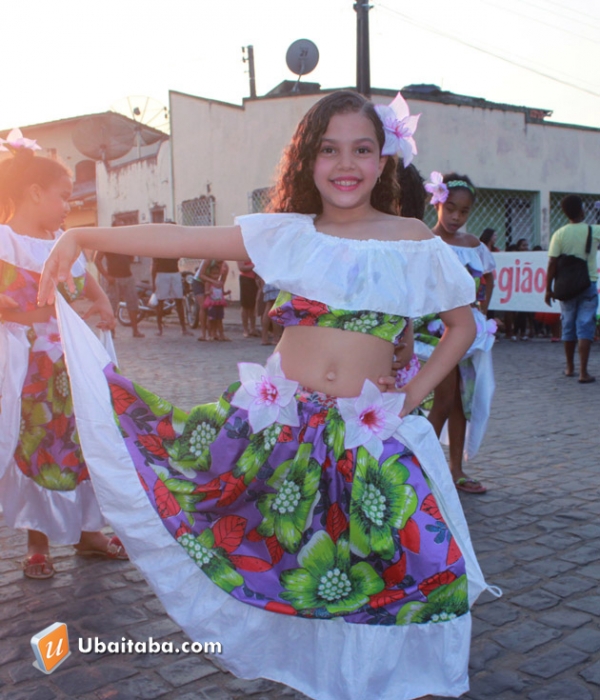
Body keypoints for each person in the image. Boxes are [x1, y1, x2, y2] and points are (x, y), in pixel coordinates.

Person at [39, 92, 496, 700]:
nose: (346, 164)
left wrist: (411, 395)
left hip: (366, 435)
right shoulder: (286, 234)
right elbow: (182, 236)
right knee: (283, 559)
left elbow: (462, 326)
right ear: (307, 161)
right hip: (280, 432)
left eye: (362, 149)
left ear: (384, 159)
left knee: (399, 567)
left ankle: (371, 685)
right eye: (328, 149)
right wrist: (81, 236)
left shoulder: (412, 238)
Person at [0, 129, 127, 580]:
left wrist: (104, 305)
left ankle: (89, 531)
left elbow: (89, 282)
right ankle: (38, 541)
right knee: (37, 447)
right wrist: (38, 312)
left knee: (84, 442)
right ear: (34, 193)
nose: (68, 206)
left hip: (73, 367)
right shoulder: (5, 243)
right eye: (63, 196)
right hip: (31, 369)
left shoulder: (65, 243)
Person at [416, 172, 497, 494]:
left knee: (463, 401)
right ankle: (421, 467)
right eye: (450, 208)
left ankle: (455, 469)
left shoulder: (473, 245)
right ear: (437, 202)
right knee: (443, 398)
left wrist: (484, 312)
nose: (455, 217)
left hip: (468, 335)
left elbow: (487, 277)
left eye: (463, 211)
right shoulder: (424, 242)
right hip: (434, 332)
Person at [545, 194, 600, 383]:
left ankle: (569, 367)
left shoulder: (559, 234)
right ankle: (584, 372)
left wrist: (548, 288)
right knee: (585, 326)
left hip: (566, 287)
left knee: (568, 325)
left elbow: (552, 263)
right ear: (582, 210)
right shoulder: (593, 231)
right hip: (588, 284)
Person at [94, 247, 144, 338]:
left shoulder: (124, 242)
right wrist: (106, 276)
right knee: (112, 305)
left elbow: (131, 257)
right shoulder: (106, 242)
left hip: (128, 277)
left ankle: (135, 330)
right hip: (113, 278)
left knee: (133, 304)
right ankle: (111, 331)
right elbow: (97, 260)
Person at [151, 255, 193, 336]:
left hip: (175, 273)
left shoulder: (173, 246)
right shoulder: (158, 248)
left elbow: (178, 257)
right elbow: (154, 264)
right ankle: (160, 329)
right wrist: (153, 282)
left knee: (179, 300)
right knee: (160, 302)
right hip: (161, 273)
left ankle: (184, 329)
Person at [201, 258, 230, 341]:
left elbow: (222, 292)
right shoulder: (208, 283)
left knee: (219, 320)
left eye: (217, 274)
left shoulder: (220, 283)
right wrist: (208, 292)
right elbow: (206, 292)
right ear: (210, 274)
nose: (215, 276)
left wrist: (226, 293)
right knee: (211, 320)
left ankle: (221, 335)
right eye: (213, 274)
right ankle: (210, 334)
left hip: (219, 303)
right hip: (212, 303)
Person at [237, 260, 259, 337]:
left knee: (253, 305)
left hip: (255, 279)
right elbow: (241, 268)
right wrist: (254, 266)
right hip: (245, 279)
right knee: (245, 305)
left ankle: (253, 328)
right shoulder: (241, 254)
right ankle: (245, 329)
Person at [191, 261, 209, 341]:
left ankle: (213, 333)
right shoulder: (208, 260)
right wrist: (214, 281)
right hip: (198, 281)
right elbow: (201, 275)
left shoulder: (224, 266)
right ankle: (203, 334)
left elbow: (221, 281)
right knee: (203, 306)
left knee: (211, 307)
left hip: (210, 282)